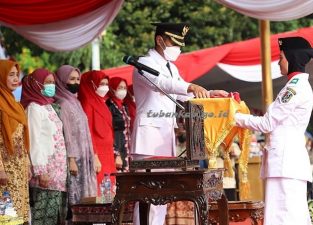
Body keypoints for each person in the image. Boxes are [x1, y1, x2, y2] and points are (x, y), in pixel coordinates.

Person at [131, 22, 228, 225]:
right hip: (148, 136)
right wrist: (191, 86)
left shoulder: (172, 68)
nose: (179, 49)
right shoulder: (144, 63)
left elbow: (182, 95)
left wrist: (208, 94)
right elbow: (163, 84)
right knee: (147, 193)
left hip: (166, 136)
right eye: (174, 43)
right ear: (159, 40)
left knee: (163, 193)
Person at [234, 37, 313, 225]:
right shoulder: (295, 86)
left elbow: (267, 123)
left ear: (292, 58)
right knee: (288, 216)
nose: (279, 62)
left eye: (281, 57)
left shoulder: (295, 88)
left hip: (285, 163)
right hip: (285, 162)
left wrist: (233, 118)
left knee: (284, 218)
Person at [21, 68, 68, 225]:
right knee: (43, 218)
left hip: (57, 175)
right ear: (36, 84)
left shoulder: (48, 106)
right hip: (45, 175)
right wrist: (41, 172)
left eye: (53, 82)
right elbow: (33, 141)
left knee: (55, 218)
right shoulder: (34, 108)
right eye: (47, 82)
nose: (51, 85)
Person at [54, 65, 97, 206]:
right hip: (75, 159)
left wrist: (93, 155)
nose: (76, 82)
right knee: (76, 199)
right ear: (61, 81)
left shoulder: (75, 102)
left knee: (87, 198)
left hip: (85, 157)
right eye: (71, 79)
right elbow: (67, 132)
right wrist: (71, 159)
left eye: (78, 79)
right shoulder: (63, 103)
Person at [0, 60, 30, 223]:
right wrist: (0, 169)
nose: (15, 78)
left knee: (20, 216)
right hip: (4, 171)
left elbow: (22, 138)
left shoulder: (17, 105)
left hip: (19, 169)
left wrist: (27, 164)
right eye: (10, 75)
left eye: (16, 75)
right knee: (7, 217)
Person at [78, 70, 115, 189]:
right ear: (91, 84)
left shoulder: (101, 102)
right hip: (98, 154)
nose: (105, 87)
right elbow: (87, 131)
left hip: (108, 153)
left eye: (106, 84)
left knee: (110, 191)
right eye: (101, 84)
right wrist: (94, 156)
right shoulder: (87, 103)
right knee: (101, 191)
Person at [106, 77, 131, 172]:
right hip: (117, 150)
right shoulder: (109, 106)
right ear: (112, 88)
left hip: (126, 149)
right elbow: (108, 131)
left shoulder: (124, 106)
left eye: (125, 88)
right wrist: (116, 154)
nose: (123, 91)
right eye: (120, 87)